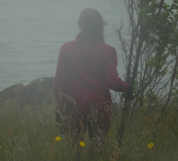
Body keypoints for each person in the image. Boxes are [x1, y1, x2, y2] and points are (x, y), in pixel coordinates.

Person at [54, 8, 130, 146]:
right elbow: (112, 82)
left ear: (80, 24)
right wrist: (128, 87)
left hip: (73, 106)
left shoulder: (66, 48)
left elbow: (60, 83)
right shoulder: (108, 51)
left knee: (74, 148)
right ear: (100, 26)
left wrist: (59, 108)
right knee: (98, 147)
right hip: (100, 106)